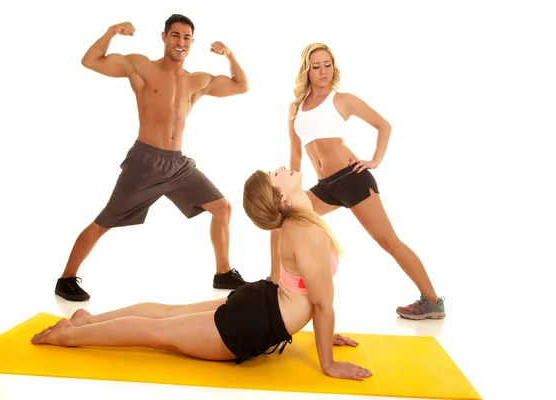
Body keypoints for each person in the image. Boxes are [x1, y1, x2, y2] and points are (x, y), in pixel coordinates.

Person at [31, 167, 373, 381]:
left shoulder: (295, 223)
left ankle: (87, 320)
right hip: (251, 320)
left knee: (165, 316)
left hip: (260, 302)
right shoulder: (304, 227)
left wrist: (323, 331)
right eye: (276, 174)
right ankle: (70, 334)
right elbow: (321, 303)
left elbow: (292, 285)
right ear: (283, 198)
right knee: (158, 331)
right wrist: (327, 363)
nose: (282, 168)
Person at [55, 14, 250, 302]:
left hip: (178, 165)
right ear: (164, 37)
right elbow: (91, 60)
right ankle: (66, 278)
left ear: (192, 42)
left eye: (186, 37)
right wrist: (111, 32)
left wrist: (230, 55)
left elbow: (241, 85)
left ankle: (223, 273)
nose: (180, 42)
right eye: (175, 35)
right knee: (105, 221)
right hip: (145, 163)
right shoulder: (141, 66)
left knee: (223, 208)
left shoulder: (198, 80)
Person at [267, 42, 445, 320]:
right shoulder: (295, 108)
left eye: (328, 65)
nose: (323, 71)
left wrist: (374, 160)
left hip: (352, 179)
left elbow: (384, 125)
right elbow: (295, 151)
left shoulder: (342, 99)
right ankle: (275, 285)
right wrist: (292, 189)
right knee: (282, 222)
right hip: (325, 186)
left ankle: (432, 301)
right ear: (307, 70)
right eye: (317, 66)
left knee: (388, 241)